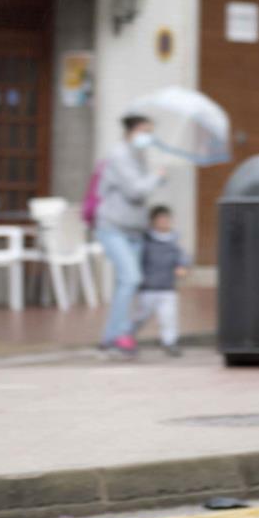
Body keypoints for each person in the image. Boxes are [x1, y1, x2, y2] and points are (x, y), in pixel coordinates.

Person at [93, 113, 162, 359]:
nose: (148, 136)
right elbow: (135, 190)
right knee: (130, 279)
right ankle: (117, 336)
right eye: (144, 130)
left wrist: (153, 177)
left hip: (133, 229)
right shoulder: (119, 155)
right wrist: (156, 176)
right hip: (113, 227)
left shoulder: (138, 155)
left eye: (150, 131)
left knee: (127, 283)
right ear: (130, 131)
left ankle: (112, 338)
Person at [134, 204, 191, 357]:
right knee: (141, 316)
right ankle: (127, 336)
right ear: (153, 221)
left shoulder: (173, 241)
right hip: (148, 288)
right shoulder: (145, 242)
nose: (164, 222)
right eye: (160, 219)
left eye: (167, 219)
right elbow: (138, 261)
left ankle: (169, 342)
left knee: (169, 317)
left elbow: (183, 256)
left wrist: (182, 266)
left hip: (167, 288)